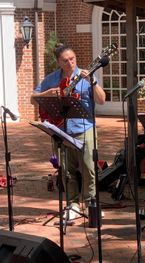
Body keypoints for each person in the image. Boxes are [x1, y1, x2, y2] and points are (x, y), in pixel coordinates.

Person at [31, 43, 106, 220]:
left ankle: (90, 204)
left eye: (72, 59)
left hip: (85, 127)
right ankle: (72, 204)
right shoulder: (51, 79)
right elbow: (33, 99)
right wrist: (47, 93)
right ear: (59, 62)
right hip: (60, 130)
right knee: (66, 170)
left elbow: (102, 100)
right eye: (65, 61)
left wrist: (92, 82)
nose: (70, 63)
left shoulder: (86, 75)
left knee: (89, 168)